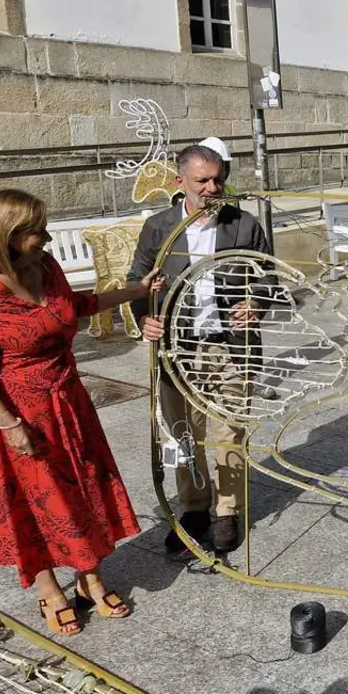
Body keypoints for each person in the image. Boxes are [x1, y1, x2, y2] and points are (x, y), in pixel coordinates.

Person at [0, 189, 163, 635]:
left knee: (82, 491)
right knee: (34, 504)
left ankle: (90, 578)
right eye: (35, 231)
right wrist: (9, 424)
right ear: (7, 235)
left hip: (68, 402)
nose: (47, 237)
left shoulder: (47, 267)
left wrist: (138, 289)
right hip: (15, 414)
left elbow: (78, 306)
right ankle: (48, 589)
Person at [128, 144, 276, 557]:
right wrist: (146, 316)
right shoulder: (160, 228)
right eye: (202, 181)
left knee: (230, 431)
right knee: (183, 433)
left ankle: (227, 511)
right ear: (181, 183)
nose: (213, 188)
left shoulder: (243, 225)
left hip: (231, 348)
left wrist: (257, 302)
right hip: (179, 351)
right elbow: (138, 279)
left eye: (218, 180)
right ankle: (194, 508)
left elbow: (268, 275)